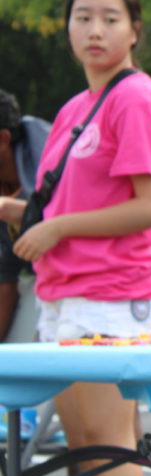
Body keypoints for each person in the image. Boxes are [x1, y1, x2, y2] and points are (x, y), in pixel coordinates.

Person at [7, 0, 151, 476]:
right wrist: (21, 214)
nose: (95, 30)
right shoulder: (74, 108)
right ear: (67, 30)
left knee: (108, 446)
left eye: (110, 18)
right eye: (83, 18)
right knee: (80, 446)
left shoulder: (137, 98)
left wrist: (57, 228)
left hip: (111, 294)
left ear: (134, 32)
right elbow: (53, 208)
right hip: (63, 295)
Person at [0, 89, 49, 341]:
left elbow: (63, 213)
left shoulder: (48, 150)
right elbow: (4, 277)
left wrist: (10, 210)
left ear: (3, 139)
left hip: (128, 289)